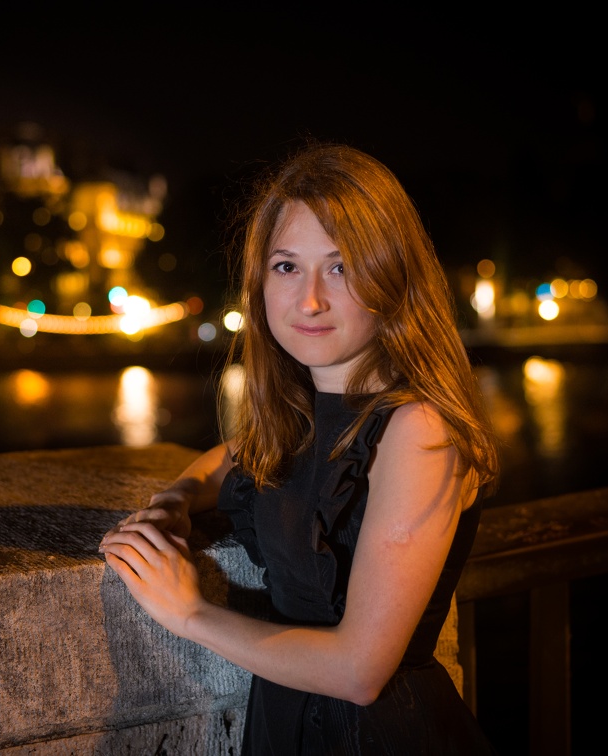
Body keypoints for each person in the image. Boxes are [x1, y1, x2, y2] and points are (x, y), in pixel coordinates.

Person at [98, 142, 501, 754]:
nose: (309, 299)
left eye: (339, 267)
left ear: (392, 275)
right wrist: (177, 498)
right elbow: (232, 458)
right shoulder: (303, 414)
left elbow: (360, 671)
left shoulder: (420, 429)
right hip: (285, 727)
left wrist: (187, 612)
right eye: (287, 266)